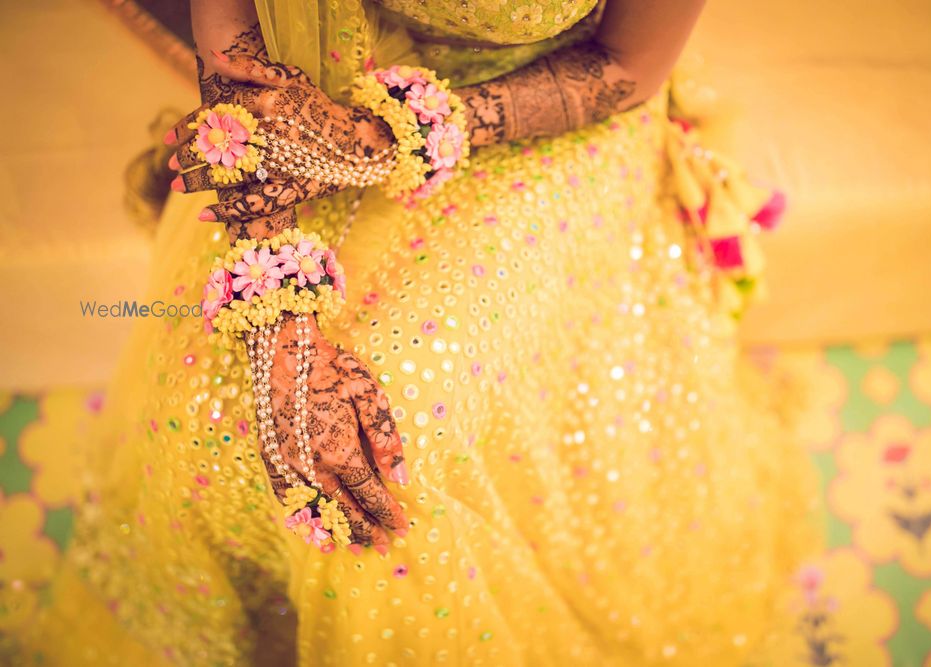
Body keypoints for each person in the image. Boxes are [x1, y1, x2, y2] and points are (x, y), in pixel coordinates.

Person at [22, 0, 821, 664]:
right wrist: (281, 324)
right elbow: (245, 68)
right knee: (205, 409)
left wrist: (387, 139)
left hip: (561, 117)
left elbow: (624, 69)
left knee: (395, 442)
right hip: (321, 93)